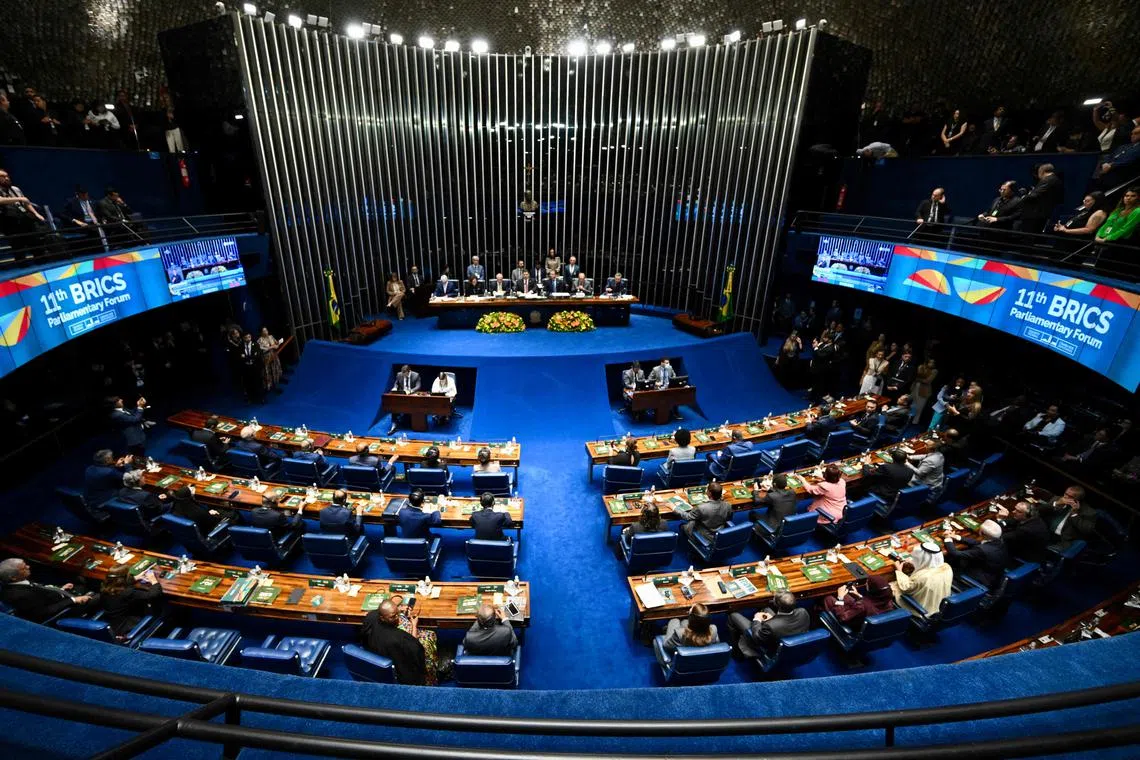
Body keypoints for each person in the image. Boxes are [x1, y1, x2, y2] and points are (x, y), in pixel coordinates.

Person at [0, 558, 99, 623]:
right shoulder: (18, 595)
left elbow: (39, 589)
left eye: (25, 565)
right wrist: (73, 600)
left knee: (81, 581)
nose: (28, 567)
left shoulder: (19, 581)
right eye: (23, 568)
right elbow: (44, 612)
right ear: (13, 577)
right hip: (65, 610)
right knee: (103, 595)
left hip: (61, 595)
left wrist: (60, 589)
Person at [362, 600, 428, 686]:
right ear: (382, 618)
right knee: (429, 637)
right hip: (401, 671)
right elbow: (415, 646)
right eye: (393, 616)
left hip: (376, 653)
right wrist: (414, 625)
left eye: (398, 613)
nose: (397, 618)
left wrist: (398, 609)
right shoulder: (401, 638)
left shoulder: (371, 616)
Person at [727, 592, 809, 657]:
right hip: (788, 638)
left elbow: (756, 637)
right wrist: (774, 618)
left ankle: (736, 653)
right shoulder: (803, 612)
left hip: (770, 647)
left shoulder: (770, 626)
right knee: (766, 608)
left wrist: (757, 620)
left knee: (733, 615)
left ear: (776, 605)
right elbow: (783, 622)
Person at [100, 563, 166, 637]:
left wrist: (136, 578)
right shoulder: (127, 592)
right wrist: (153, 580)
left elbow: (121, 583)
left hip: (113, 622)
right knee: (163, 606)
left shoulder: (105, 587)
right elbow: (154, 595)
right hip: (126, 626)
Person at [0, 168, 51, 258]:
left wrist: (36, 214)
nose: (7, 178)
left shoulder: (15, 189)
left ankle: (41, 261)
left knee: (35, 242)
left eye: (7, 176)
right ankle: (23, 266)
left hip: (24, 219)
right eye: (2, 177)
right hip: (9, 222)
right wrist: (20, 199)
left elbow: (26, 203)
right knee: (18, 247)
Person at [944, 519, 1008, 590]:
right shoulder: (999, 541)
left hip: (977, 580)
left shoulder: (982, 550)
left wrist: (947, 539)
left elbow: (956, 553)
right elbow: (978, 543)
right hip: (993, 575)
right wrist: (957, 537)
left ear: (982, 533)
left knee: (948, 563)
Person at [893, 542, 953, 616]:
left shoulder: (923, 577)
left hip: (924, 608)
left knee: (892, 586)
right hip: (941, 603)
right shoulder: (947, 567)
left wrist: (899, 571)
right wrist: (915, 563)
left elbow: (906, 587)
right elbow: (929, 564)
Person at [822, 575, 896, 628]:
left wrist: (840, 598)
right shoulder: (888, 600)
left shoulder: (862, 606)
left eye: (867, 583)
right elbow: (873, 604)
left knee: (829, 599)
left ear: (873, 589)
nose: (866, 584)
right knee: (847, 596)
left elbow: (842, 618)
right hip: (864, 617)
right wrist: (858, 595)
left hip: (854, 624)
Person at [1016, 163, 1063, 233]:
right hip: (1043, 213)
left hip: (1036, 215)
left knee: (1030, 237)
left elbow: (1033, 196)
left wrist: (1023, 197)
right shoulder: (1055, 179)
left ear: (1041, 171)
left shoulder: (1047, 180)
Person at [910, 358, 938, 424]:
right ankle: (909, 418)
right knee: (913, 404)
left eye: (933, 363)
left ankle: (915, 421)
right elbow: (916, 375)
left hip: (924, 390)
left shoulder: (934, 371)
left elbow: (927, 381)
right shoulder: (922, 367)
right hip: (915, 387)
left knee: (920, 406)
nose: (931, 364)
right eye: (930, 362)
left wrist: (918, 379)